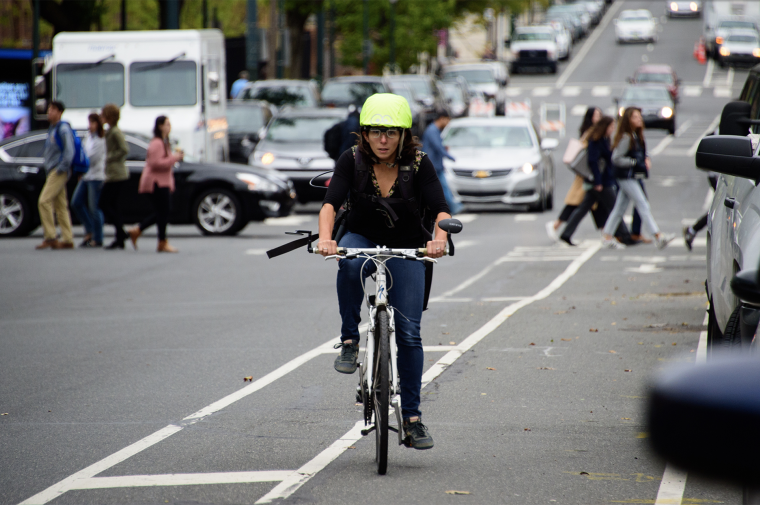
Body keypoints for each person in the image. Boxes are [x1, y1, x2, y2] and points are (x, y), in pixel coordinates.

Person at [317, 93, 451, 450]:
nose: (383, 139)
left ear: (404, 135)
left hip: (409, 244)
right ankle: (349, 339)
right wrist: (327, 239)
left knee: (409, 334)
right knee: (349, 266)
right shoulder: (352, 160)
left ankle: (412, 419)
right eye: (375, 131)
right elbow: (330, 204)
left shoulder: (420, 164)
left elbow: (441, 210)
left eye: (391, 132)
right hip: (362, 236)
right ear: (364, 133)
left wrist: (438, 239)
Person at [601, 107, 674, 249]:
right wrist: (634, 163)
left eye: (639, 116)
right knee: (642, 204)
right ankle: (658, 236)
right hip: (626, 176)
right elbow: (616, 158)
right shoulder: (626, 137)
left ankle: (607, 236)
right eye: (635, 117)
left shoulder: (634, 135)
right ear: (628, 120)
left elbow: (640, 154)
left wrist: (646, 159)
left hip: (630, 175)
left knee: (620, 208)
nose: (639, 119)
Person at [559, 116, 619, 246]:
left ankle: (566, 234)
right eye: (611, 127)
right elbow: (593, 162)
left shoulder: (604, 139)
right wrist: (598, 181)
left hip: (598, 181)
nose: (613, 129)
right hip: (599, 181)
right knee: (615, 208)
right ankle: (622, 235)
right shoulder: (596, 139)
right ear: (605, 127)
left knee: (583, 208)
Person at [128, 116, 183, 253]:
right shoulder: (157, 143)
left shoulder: (164, 142)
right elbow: (156, 163)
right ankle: (158, 240)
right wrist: (175, 158)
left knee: (162, 212)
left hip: (161, 182)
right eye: (167, 124)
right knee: (163, 211)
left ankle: (145, 234)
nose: (169, 127)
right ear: (160, 126)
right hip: (155, 183)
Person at [546, 107, 600, 242]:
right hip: (586, 174)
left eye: (600, 115)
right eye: (596, 115)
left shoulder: (591, 132)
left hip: (588, 174)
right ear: (590, 118)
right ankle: (556, 225)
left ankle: (607, 233)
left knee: (593, 204)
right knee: (577, 203)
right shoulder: (591, 133)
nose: (599, 118)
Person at [35, 101, 75, 250]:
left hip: (58, 170)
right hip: (53, 169)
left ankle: (50, 236)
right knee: (60, 205)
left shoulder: (63, 129)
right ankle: (67, 238)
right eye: (48, 109)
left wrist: (62, 168)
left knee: (43, 201)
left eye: (52, 110)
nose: (48, 112)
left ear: (59, 112)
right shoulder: (52, 129)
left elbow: (69, 151)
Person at [70, 113, 106, 248]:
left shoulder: (101, 140)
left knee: (94, 208)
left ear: (98, 124)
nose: (90, 126)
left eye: (92, 123)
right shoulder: (88, 137)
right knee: (76, 202)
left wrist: (81, 164)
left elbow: (91, 158)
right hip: (86, 176)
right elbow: (81, 153)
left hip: (96, 177)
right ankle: (90, 229)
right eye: (89, 123)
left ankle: (98, 237)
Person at [99, 103, 130, 250]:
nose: (101, 117)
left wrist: (110, 157)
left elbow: (124, 149)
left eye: (103, 114)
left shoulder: (115, 132)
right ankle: (120, 237)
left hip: (116, 174)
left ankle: (121, 233)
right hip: (112, 173)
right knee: (113, 206)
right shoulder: (110, 131)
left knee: (104, 203)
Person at [422, 110, 463, 215]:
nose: (448, 123)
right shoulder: (432, 130)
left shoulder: (435, 130)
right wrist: (450, 157)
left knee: (441, 187)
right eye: (447, 120)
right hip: (432, 165)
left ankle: (453, 207)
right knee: (441, 188)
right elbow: (437, 147)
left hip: (436, 165)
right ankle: (453, 208)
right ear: (442, 119)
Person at [683, 173, 718, 250]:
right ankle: (692, 230)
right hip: (720, 176)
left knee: (717, 210)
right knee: (718, 209)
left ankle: (692, 230)